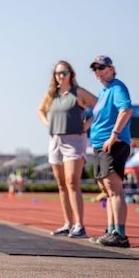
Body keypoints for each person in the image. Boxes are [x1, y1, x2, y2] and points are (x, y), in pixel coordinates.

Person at [37, 60, 98, 239]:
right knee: (62, 185)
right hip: (55, 140)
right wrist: (47, 124)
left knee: (72, 182)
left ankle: (79, 225)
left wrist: (88, 124)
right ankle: (68, 224)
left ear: (71, 74)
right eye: (57, 73)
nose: (60, 76)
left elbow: (100, 105)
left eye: (64, 72)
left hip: (74, 140)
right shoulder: (52, 94)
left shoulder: (78, 92)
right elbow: (40, 110)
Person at [87, 55, 133, 248]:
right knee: (107, 190)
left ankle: (120, 234)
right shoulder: (104, 91)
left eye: (101, 67)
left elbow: (126, 110)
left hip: (113, 143)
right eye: (95, 68)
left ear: (111, 68)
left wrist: (114, 135)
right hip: (99, 144)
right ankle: (111, 230)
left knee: (114, 189)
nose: (97, 71)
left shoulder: (117, 87)